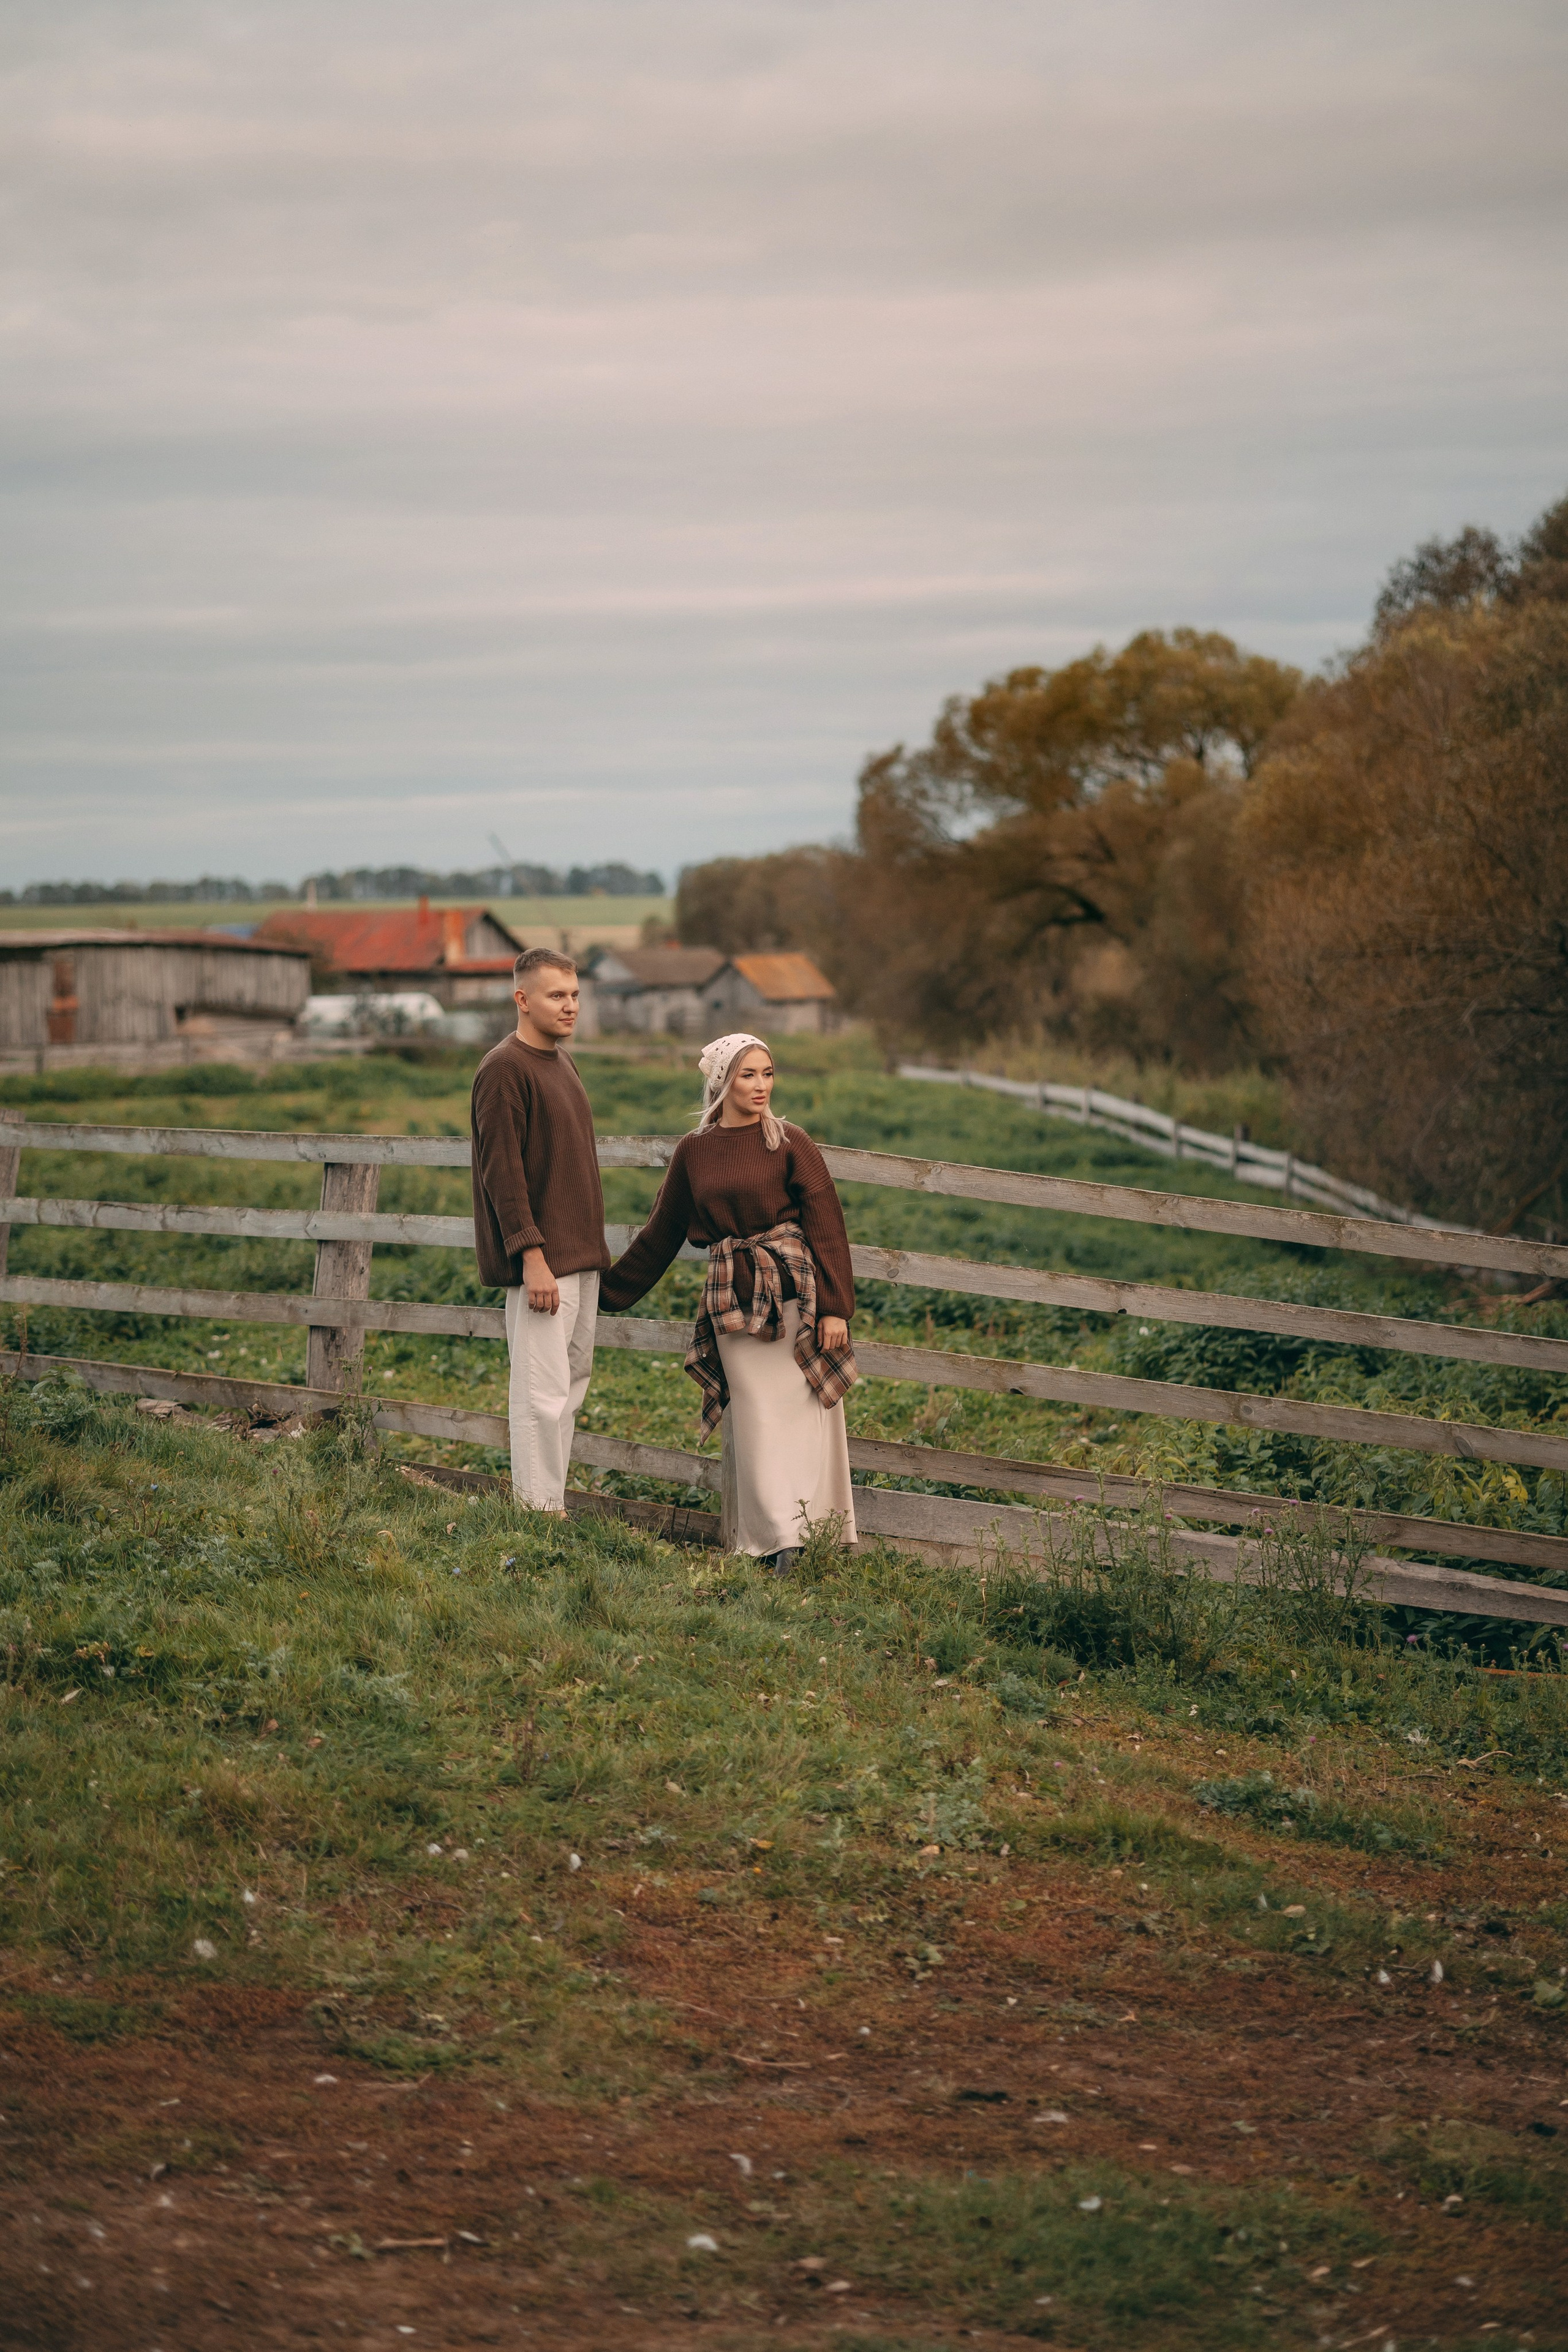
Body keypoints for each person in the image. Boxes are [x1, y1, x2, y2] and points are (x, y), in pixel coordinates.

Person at [599, 1032, 858, 1568]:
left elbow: (827, 1226)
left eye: (767, 1073)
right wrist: (606, 1290)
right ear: (722, 1081)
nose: (761, 1085)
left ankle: (813, 1533)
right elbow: (661, 1232)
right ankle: (776, 1543)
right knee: (759, 1424)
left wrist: (836, 1308)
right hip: (733, 1305)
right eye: (748, 1075)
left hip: (794, 1299)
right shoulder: (695, 1151)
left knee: (807, 1419)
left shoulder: (789, 1140)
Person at [470, 948, 608, 1511]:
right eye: (557, 996)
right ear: (522, 1000)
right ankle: (536, 1519)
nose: (571, 1006)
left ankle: (549, 1507)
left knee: (569, 1391)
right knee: (539, 1398)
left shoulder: (562, 1062)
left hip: (579, 1260)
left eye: (575, 995)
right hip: (544, 1265)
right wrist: (531, 1256)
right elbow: (502, 1173)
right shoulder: (504, 1068)